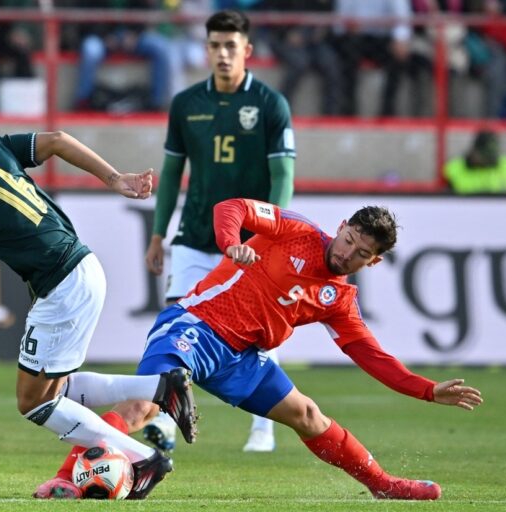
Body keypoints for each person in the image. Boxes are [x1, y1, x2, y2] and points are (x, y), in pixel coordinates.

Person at [37, 197, 484, 501]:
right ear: (341, 228)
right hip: (195, 326)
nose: (347, 253)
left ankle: (382, 485)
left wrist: (427, 390)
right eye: (349, 239)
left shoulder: (339, 301)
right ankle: (64, 480)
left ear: (374, 261)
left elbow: (372, 356)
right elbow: (230, 207)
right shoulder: (296, 231)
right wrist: (231, 243)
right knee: (144, 406)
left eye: (361, 253)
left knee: (308, 415)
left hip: (242, 358)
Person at [0, 102, 199, 500]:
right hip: (84, 266)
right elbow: (57, 140)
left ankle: (144, 458)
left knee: (33, 403)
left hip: (60, 283)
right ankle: (161, 387)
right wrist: (114, 178)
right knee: (56, 389)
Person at [143, 9, 296, 454]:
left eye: (231, 46)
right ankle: (164, 423)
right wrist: (158, 234)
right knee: (175, 326)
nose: (223, 54)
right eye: (215, 45)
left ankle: (263, 430)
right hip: (195, 236)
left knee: (259, 334)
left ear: (247, 50)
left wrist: (271, 234)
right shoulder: (186, 104)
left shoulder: (270, 104)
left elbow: (283, 175)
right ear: (206, 49)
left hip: (251, 244)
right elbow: (172, 174)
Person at [443, 129, 506, 194]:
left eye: (491, 155)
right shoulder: (454, 169)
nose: (488, 159)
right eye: (485, 154)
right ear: (475, 151)